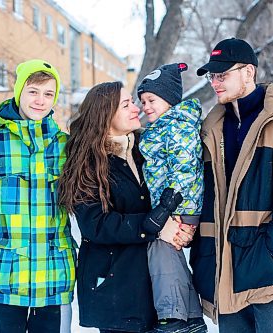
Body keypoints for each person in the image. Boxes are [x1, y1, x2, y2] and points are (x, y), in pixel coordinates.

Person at [190, 38, 273, 332]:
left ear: (249, 72)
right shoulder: (211, 129)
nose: (215, 83)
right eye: (212, 76)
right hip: (225, 273)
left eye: (222, 74)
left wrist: (271, 255)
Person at [58, 81, 194, 333]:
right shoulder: (86, 162)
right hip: (115, 288)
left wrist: (181, 229)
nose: (137, 108)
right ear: (105, 114)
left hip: (154, 285)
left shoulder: (147, 150)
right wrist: (154, 227)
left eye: (133, 101)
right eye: (126, 104)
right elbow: (96, 225)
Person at [0, 59, 76, 333]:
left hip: (55, 279)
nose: (40, 101)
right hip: (7, 278)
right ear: (19, 92)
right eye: (33, 91)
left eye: (48, 94)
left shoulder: (66, 147)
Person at [137, 63, 207, 333]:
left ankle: (172, 318)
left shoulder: (177, 126)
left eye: (152, 100)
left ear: (169, 98)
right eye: (142, 101)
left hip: (179, 206)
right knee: (171, 255)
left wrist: (166, 207)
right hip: (172, 207)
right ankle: (191, 319)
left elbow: (184, 169)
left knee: (160, 249)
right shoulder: (162, 127)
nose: (146, 106)